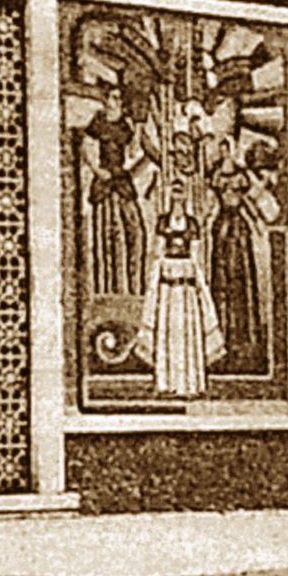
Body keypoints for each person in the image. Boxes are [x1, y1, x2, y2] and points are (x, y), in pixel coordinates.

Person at [133, 181, 226, 396]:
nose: (177, 198)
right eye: (174, 193)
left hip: (186, 287)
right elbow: (158, 251)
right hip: (167, 286)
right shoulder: (163, 221)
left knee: (188, 331)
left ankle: (191, 383)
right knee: (167, 331)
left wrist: (195, 277)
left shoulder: (192, 223)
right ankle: (166, 383)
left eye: (180, 193)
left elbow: (195, 255)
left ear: (185, 197)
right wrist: (157, 275)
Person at [80, 85, 160, 303]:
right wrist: (97, 170)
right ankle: (105, 289)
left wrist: (140, 128)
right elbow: (86, 147)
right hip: (105, 178)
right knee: (107, 233)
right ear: (107, 99)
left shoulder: (125, 124)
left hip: (121, 178)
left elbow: (133, 151)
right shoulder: (99, 121)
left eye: (119, 98)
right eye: (113, 97)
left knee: (135, 230)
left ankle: (135, 288)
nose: (116, 102)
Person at [208, 139, 281, 371]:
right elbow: (211, 202)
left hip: (239, 229)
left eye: (226, 149)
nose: (224, 153)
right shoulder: (216, 174)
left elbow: (249, 201)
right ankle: (221, 335)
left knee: (242, 280)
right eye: (221, 150)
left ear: (231, 150)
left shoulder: (241, 175)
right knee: (221, 281)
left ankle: (246, 337)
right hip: (222, 228)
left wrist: (257, 222)